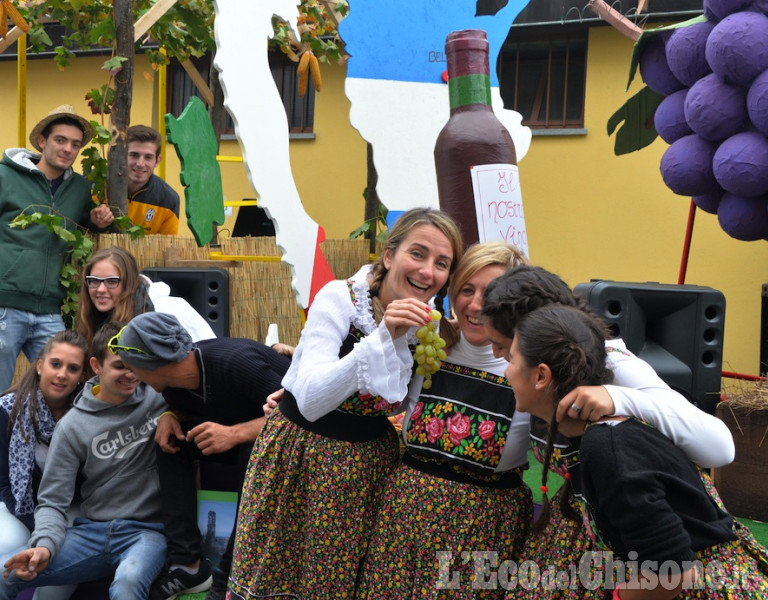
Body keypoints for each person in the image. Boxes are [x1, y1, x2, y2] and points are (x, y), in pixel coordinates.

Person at [222, 208, 462, 599]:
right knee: (272, 579)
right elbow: (314, 401)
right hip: (299, 459)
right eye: (417, 254)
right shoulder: (340, 298)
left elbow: (412, 407)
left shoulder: (430, 328)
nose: (427, 271)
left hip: (366, 471)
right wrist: (384, 336)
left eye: (442, 263)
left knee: (335, 585)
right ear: (388, 256)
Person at [479, 265, 736, 599]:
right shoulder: (554, 385)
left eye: (503, 347)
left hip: (653, 543)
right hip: (606, 525)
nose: (498, 357)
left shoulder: (613, 372)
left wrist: (620, 397)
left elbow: (721, 448)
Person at [356, 241, 532, 598]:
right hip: (405, 517)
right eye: (467, 289)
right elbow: (367, 375)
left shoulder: (532, 365)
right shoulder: (427, 339)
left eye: (492, 292)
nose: (477, 304)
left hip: (482, 529)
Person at [108, 312, 293, 600]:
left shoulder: (235, 362)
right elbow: (196, 407)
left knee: (254, 454)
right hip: (241, 433)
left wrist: (234, 433)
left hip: (292, 447)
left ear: (153, 364)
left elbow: (299, 417)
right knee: (172, 441)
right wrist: (170, 414)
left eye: (133, 368)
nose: (134, 377)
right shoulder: (172, 386)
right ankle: (188, 565)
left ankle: (230, 579)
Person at [0, 322, 168, 600]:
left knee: (128, 580)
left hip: (146, 532)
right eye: (120, 366)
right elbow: (53, 500)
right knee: (5, 572)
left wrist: (172, 415)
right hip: (92, 532)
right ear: (97, 366)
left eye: (135, 365)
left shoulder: (159, 400)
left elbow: (200, 391)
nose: (130, 373)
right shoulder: (72, 425)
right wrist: (44, 544)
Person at [0, 104, 114, 391]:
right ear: (42, 141)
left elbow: (84, 226)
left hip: (50, 309)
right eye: (60, 140)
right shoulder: (5, 177)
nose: (68, 149)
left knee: (67, 388)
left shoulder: (79, 188)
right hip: (5, 305)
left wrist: (97, 221)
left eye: (75, 144)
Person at [0, 331, 89, 542]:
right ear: (40, 366)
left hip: (73, 506)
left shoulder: (88, 412)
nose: (62, 374)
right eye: (55, 364)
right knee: (8, 547)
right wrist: (40, 528)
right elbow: (4, 483)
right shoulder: (7, 411)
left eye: (73, 368)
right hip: (19, 506)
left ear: (82, 377)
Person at [75, 247, 214, 348]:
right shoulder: (94, 318)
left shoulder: (167, 310)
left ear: (129, 283)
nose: (100, 289)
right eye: (94, 281)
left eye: (111, 281)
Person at [125, 125, 179, 235]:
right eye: (134, 155)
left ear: (157, 161)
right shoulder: (95, 185)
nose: (140, 164)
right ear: (121, 155)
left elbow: (168, 248)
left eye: (148, 157)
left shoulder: (168, 199)